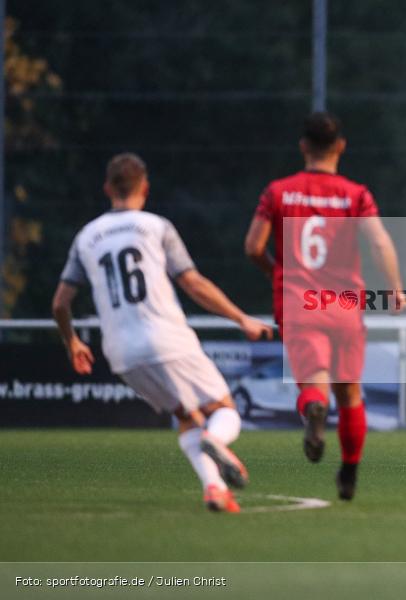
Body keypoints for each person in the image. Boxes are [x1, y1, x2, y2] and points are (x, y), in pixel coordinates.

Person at [52, 153, 274, 513]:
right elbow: (193, 284)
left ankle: (215, 488)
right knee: (223, 408)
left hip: (121, 353)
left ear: (108, 188)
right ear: (146, 188)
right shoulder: (156, 227)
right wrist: (242, 319)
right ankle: (216, 440)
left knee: (186, 416)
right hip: (166, 338)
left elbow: (60, 303)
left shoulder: (86, 238)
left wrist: (72, 341)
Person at [244, 111, 406, 500]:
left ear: (303, 147)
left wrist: (274, 271)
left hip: (300, 302)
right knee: (350, 392)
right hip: (345, 304)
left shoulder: (279, 191)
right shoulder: (356, 194)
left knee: (313, 384)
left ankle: (315, 411)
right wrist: (394, 289)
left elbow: (252, 247)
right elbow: (380, 243)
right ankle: (349, 470)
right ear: (341, 147)